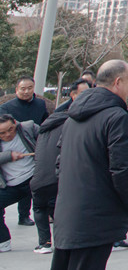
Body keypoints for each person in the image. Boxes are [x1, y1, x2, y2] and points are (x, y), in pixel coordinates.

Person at [51, 60, 128, 270]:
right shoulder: (116, 117)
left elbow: (59, 164)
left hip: (68, 214)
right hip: (96, 217)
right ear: (118, 82)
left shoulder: (72, 118)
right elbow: (123, 169)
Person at [30, 82, 86, 254]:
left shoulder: (48, 124)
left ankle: (44, 244)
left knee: (40, 207)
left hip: (39, 178)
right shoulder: (72, 123)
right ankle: (69, 241)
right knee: (62, 209)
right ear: (73, 96)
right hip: (60, 177)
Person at [1, 75, 47, 232]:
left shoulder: (40, 104)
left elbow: (45, 126)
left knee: (31, 186)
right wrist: (8, 154)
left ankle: (25, 216)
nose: (26, 91)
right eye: (23, 89)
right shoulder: (6, 108)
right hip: (11, 154)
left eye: (29, 88)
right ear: (16, 90)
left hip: (31, 147)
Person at [0, 113, 38, 252]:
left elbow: (48, 141)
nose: (8, 134)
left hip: (35, 177)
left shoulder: (28, 128)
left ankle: (47, 242)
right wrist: (8, 155)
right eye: (2, 133)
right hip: (13, 185)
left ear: (15, 123)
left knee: (51, 207)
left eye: (10, 129)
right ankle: (3, 241)